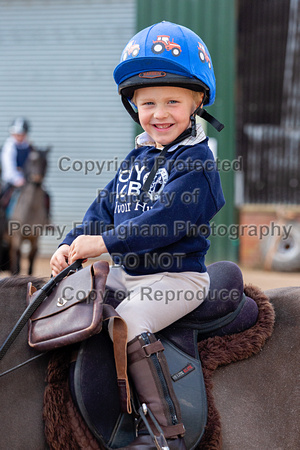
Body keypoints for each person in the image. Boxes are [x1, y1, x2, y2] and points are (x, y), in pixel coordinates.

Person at [50, 21, 225, 450]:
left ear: (197, 101)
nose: (159, 113)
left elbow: (163, 222)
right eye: (147, 103)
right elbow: (103, 209)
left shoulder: (198, 165)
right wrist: (70, 245)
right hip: (130, 274)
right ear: (133, 104)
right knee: (72, 304)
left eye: (172, 101)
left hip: (177, 278)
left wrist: (106, 245)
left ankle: (163, 435)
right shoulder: (136, 158)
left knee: (127, 324)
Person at [1, 117, 32, 188]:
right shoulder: (9, 147)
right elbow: (8, 167)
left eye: (21, 134)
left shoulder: (28, 147)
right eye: (17, 134)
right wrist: (17, 179)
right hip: (11, 180)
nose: (19, 137)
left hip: (27, 180)